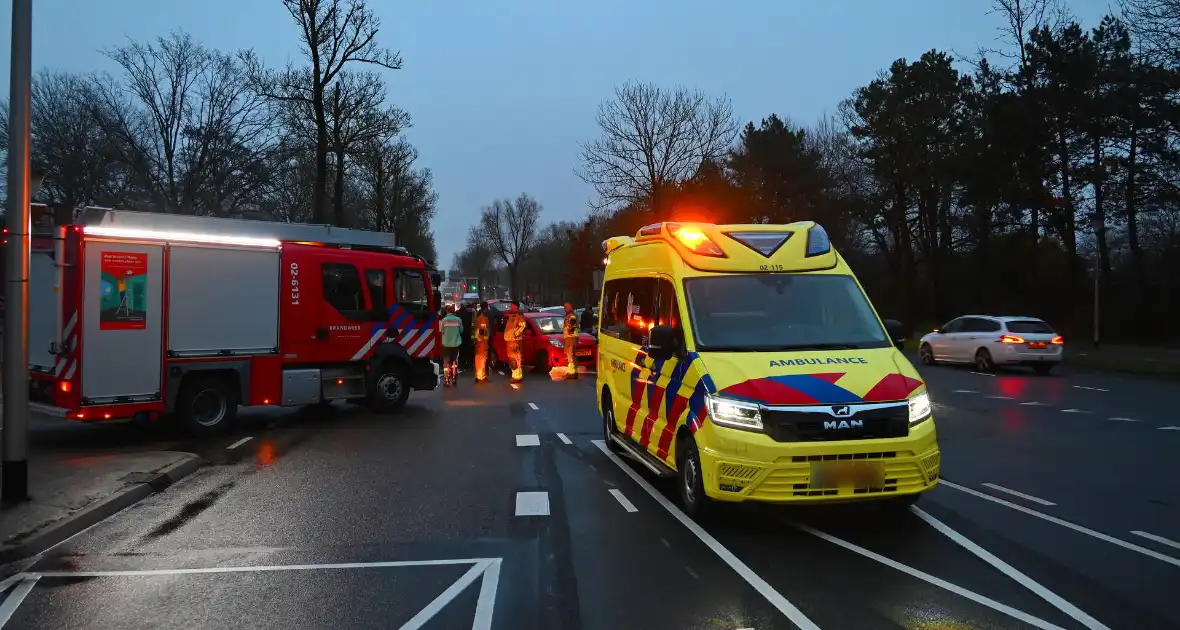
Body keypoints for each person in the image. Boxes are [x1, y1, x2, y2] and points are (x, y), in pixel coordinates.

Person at [503, 302, 528, 383]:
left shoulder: (519, 316)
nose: (511, 307)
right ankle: (515, 376)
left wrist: (516, 334)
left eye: (512, 306)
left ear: (516, 307)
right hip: (509, 340)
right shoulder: (511, 316)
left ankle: (517, 377)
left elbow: (523, 326)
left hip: (515, 341)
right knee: (512, 359)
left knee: (515, 359)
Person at [440, 305, 463, 386]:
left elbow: (441, 331)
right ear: (454, 312)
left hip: (446, 344)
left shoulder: (444, 320)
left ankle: (447, 379)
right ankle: (454, 378)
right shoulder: (458, 320)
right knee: (454, 361)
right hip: (455, 344)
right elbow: (461, 330)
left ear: (447, 312)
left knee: (446, 362)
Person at [473, 302, 491, 382]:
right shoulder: (483, 318)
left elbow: (475, 330)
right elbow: (483, 331)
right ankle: (482, 376)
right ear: (486, 308)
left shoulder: (477, 316)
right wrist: (485, 340)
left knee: (478, 359)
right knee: (482, 359)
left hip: (478, 342)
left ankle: (478, 375)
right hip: (482, 342)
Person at [562, 302, 580, 379]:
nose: (565, 308)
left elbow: (571, 324)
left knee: (570, 354)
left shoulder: (571, 315)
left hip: (571, 337)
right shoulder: (571, 315)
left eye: (566, 307)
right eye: (564, 307)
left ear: (571, 307)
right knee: (571, 354)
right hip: (571, 337)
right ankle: (574, 371)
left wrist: (568, 329)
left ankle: (571, 372)